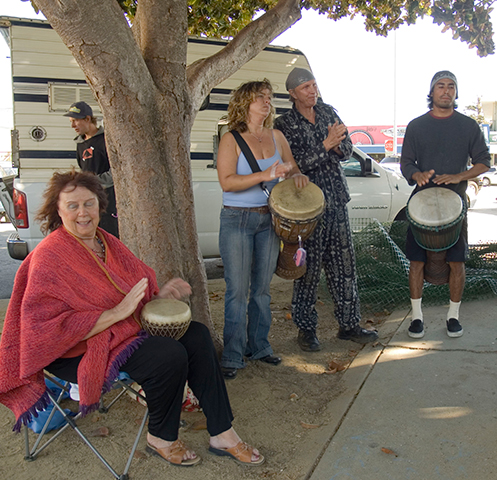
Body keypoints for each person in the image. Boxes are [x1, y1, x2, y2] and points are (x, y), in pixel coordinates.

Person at [0, 170, 264, 467]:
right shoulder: (50, 257)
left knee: (198, 334)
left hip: (122, 333)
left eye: (89, 204)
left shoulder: (107, 242)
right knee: (169, 354)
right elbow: (44, 331)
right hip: (74, 351)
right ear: (57, 210)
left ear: (100, 206)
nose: (82, 213)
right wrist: (116, 313)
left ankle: (223, 432)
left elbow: (131, 294)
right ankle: (161, 437)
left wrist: (159, 297)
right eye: (72, 205)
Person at [274, 68, 378, 352]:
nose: (312, 90)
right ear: (293, 93)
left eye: (314, 84)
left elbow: (347, 148)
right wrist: (326, 145)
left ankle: (349, 325)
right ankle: (306, 330)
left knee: (344, 267)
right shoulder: (284, 124)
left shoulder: (328, 111)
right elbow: (294, 165)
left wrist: (336, 145)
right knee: (306, 270)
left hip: (336, 203)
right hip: (306, 210)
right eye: (306, 87)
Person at [217, 79, 308, 379]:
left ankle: (259, 346)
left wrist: (296, 176)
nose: (266, 101)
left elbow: (291, 165)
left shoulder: (277, 136)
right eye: (260, 97)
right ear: (245, 103)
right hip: (237, 219)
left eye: (268, 97)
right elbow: (227, 181)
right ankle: (232, 354)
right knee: (237, 290)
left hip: (269, 219)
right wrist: (265, 174)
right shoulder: (231, 139)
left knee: (261, 290)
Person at [400, 70, 490, 339]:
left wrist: (459, 176)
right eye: (440, 86)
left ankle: (453, 316)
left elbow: (484, 161)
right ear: (431, 92)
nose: (446, 91)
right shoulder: (416, 126)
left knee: (457, 263)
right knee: (416, 262)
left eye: (451, 86)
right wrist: (416, 174)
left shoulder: (468, 126)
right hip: (420, 205)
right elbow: (406, 163)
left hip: (455, 207)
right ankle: (417, 318)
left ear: (456, 93)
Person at [64, 101, 119, 237]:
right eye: (71, 121)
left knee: (110, 236)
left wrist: (94, 182)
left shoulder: (105, 139)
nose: (72, 126)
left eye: (75, 121)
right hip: (90, 201)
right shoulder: (80, 144)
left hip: (108, 201)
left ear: (88, 119)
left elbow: (117, 172)